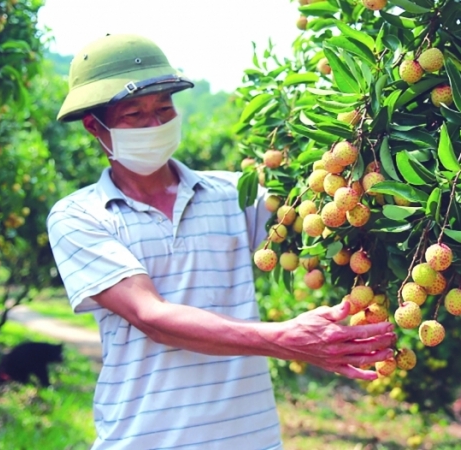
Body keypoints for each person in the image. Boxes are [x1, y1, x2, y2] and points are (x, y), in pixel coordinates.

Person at [47, 34, 396, 449]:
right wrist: (286, 339)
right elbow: (150, 316)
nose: (155, 124)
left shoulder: (236, 194)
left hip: (249, 438)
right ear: (95, 126)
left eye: (163, 109)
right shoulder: (79, 216)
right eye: (134, 115)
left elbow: (324, 212)